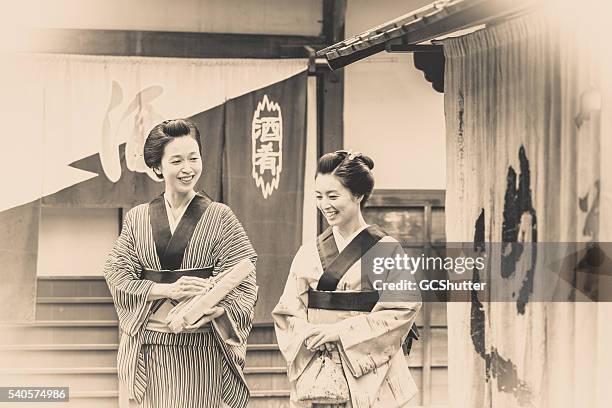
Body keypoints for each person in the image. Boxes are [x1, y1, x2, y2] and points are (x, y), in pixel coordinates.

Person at [104, 119, 257, 408]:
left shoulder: (220, 216)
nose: (188, 168)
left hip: (202, 346)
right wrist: (166, 291)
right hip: (152, 345)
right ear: (158, 167)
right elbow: (116, 273)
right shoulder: (137, 218)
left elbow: (244, 278)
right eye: (176, 160)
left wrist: (218, 307)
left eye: (193, 158)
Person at [272, 150, 421, 407]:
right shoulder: (308, 253)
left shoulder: (386, 248)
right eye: (319, 196)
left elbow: (402, 311)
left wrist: (339, 332)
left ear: (358, 195)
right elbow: (288, 312)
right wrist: (312, 335)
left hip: (373, 374)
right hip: (319, 368)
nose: (324, 204)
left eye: (333, 195)